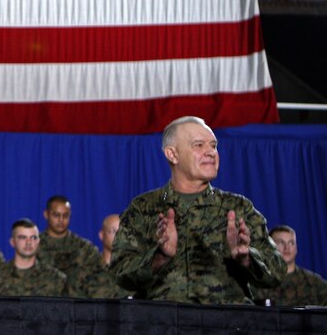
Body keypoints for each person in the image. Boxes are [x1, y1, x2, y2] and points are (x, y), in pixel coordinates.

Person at [110, 116, 285, 304]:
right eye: (199, 145)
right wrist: (160, 257)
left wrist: (247, 259)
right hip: (166, 321)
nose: (211, 152)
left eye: (213, 145)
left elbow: (277, 273)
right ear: (172, 154)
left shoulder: (238, 208)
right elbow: (120, 274)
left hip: (226, 324)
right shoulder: (144, 208)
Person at [0, 219, 69, 297]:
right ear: (12, 242)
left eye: (33, 238)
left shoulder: (56, 279)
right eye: (23, 237)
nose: (28, 242)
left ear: (38, 241)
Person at [36, 195, 100, 297]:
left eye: (65, 215)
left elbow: (97, 281)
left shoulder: (84, 248)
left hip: (77, 308)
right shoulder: (34, 246)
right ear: (46, 214)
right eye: (56, 215)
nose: (61, 220)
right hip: (43, 306)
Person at [254, 225, 327, 306]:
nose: (287, 247)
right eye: (281, 242)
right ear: (269, 247)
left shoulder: (313, 283)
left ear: (296, 248)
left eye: (291, 242)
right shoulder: (258, 281)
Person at [81, 214, 133, 299]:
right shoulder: (88, 269)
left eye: (122, 232)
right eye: (113, 231)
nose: (118, 237)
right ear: (101, 235)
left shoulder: (133, 270)